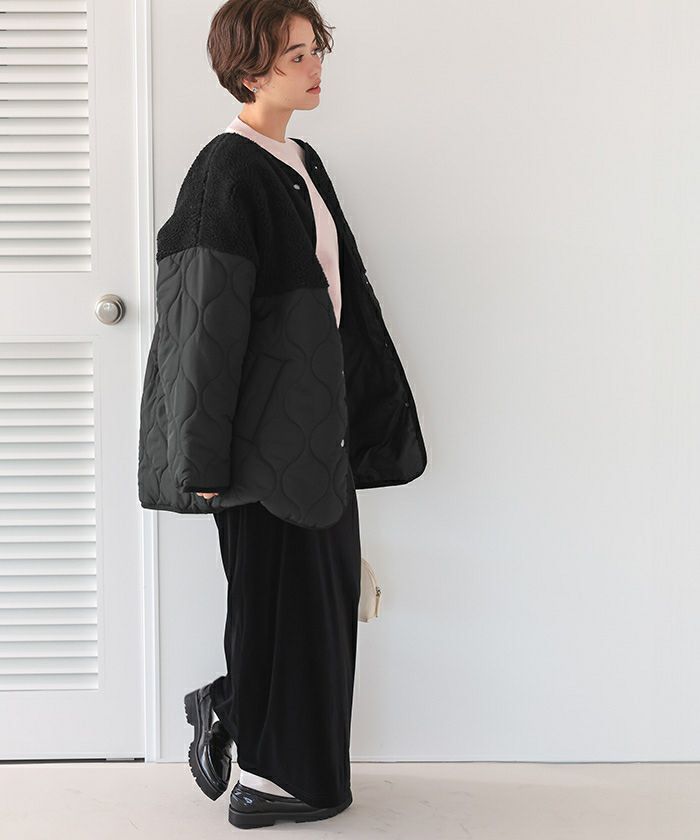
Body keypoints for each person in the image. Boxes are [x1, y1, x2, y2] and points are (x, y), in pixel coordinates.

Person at [139, 0, 428, 830]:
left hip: (313, 433)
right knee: (278, 608)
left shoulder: (299, 159)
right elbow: (201, 328)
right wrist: (199, 462)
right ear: (247, 67)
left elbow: (337, 300)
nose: (314, 67)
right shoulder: (224, 173)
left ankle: (240, 716)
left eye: (315, 49)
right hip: (257, 445)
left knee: (323, 603)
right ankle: (268, 778)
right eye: (295, 54)